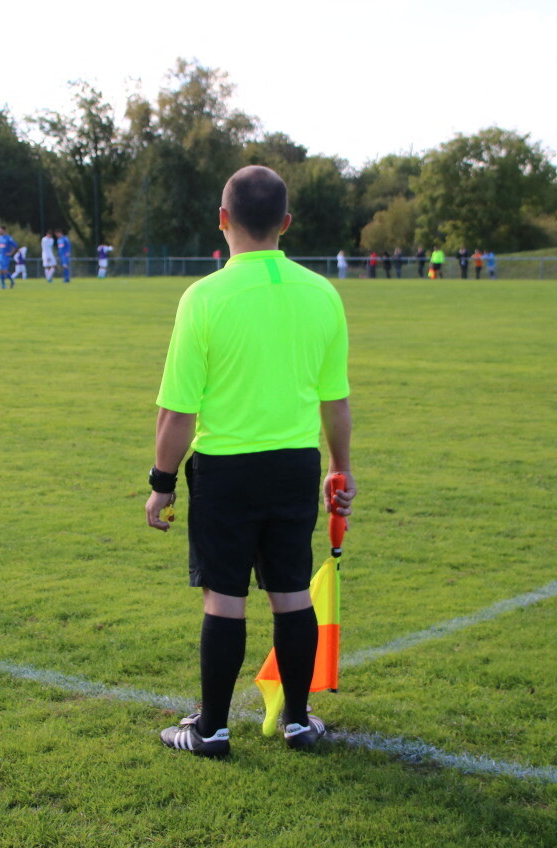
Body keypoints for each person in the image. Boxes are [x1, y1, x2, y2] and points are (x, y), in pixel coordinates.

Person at [146, 164, 355, 757]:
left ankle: (211, 728)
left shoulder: (204, 297)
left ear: (222, 219)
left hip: (225, 470)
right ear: (285, 223)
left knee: (224, 597)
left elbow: (177, 414)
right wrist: (340, 469)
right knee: (291, 593)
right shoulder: (322, 293)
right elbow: (335, 401)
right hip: (294, 465)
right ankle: (296, 721)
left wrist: (161, 483)